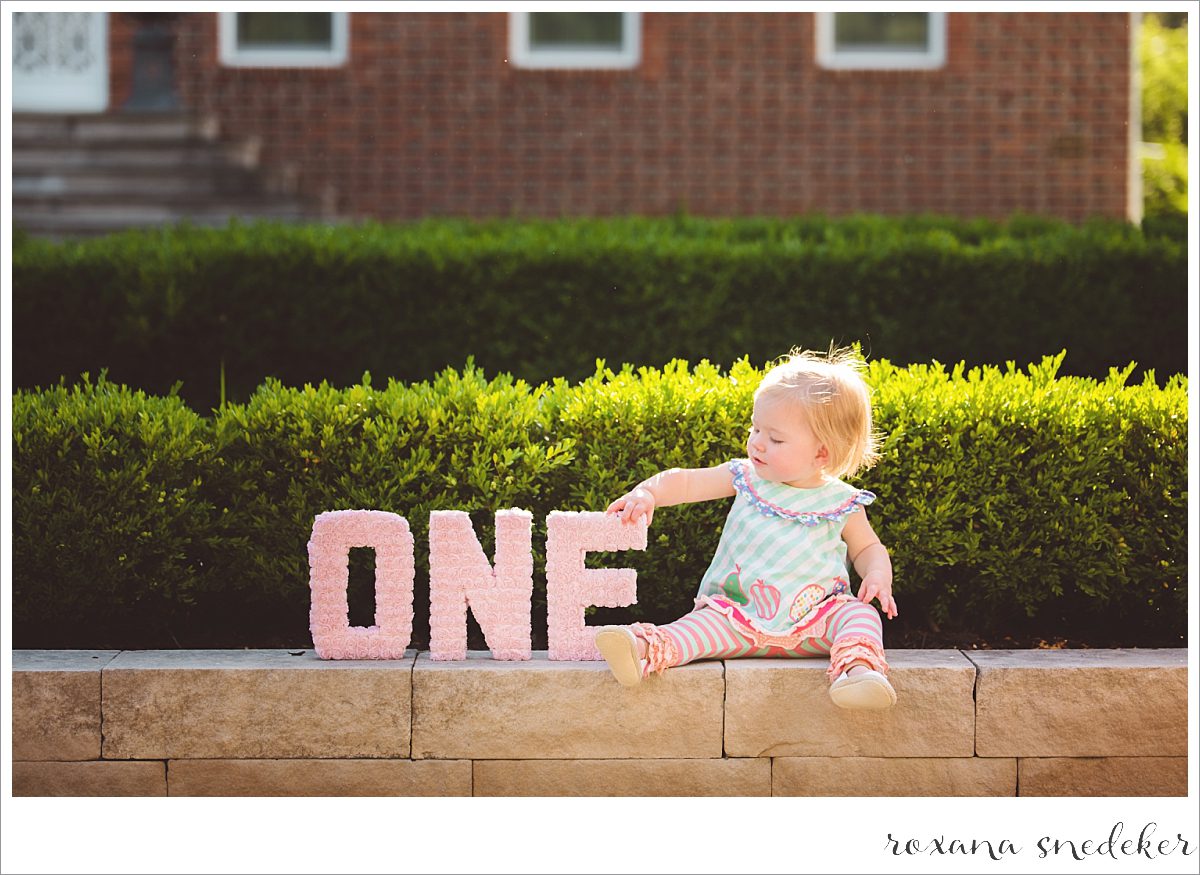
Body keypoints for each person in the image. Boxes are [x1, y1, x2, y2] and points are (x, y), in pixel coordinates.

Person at [595, 346, 898, 709]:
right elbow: (687, 482)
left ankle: (858, 672)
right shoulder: (746, 477)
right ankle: (641, 649)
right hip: (736, 618)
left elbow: (867, 548)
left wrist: (877, 574)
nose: (757, 442)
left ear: (822, 453)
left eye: (775, 438)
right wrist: (648, 493)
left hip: (816, 621)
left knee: (860, 615)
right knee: (696, 629)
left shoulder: (842, 502)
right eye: (755, 428)